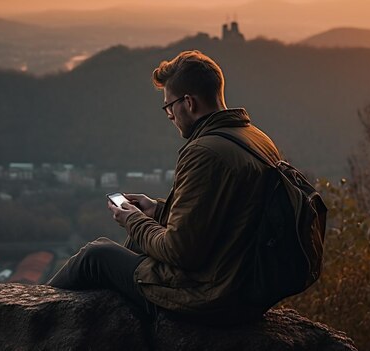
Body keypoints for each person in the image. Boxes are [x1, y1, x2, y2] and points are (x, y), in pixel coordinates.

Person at [47, 50, 285, 324]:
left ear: (189, 102)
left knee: (95, 254)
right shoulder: (254, 138)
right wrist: (158, 210)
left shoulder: (205, 153)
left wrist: (133, 219)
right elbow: (221, 217)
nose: (169, 115)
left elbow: (179, 251)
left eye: (169, 106)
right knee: (138, 240)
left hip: (212, 294)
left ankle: (30, 315)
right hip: (241, 280)